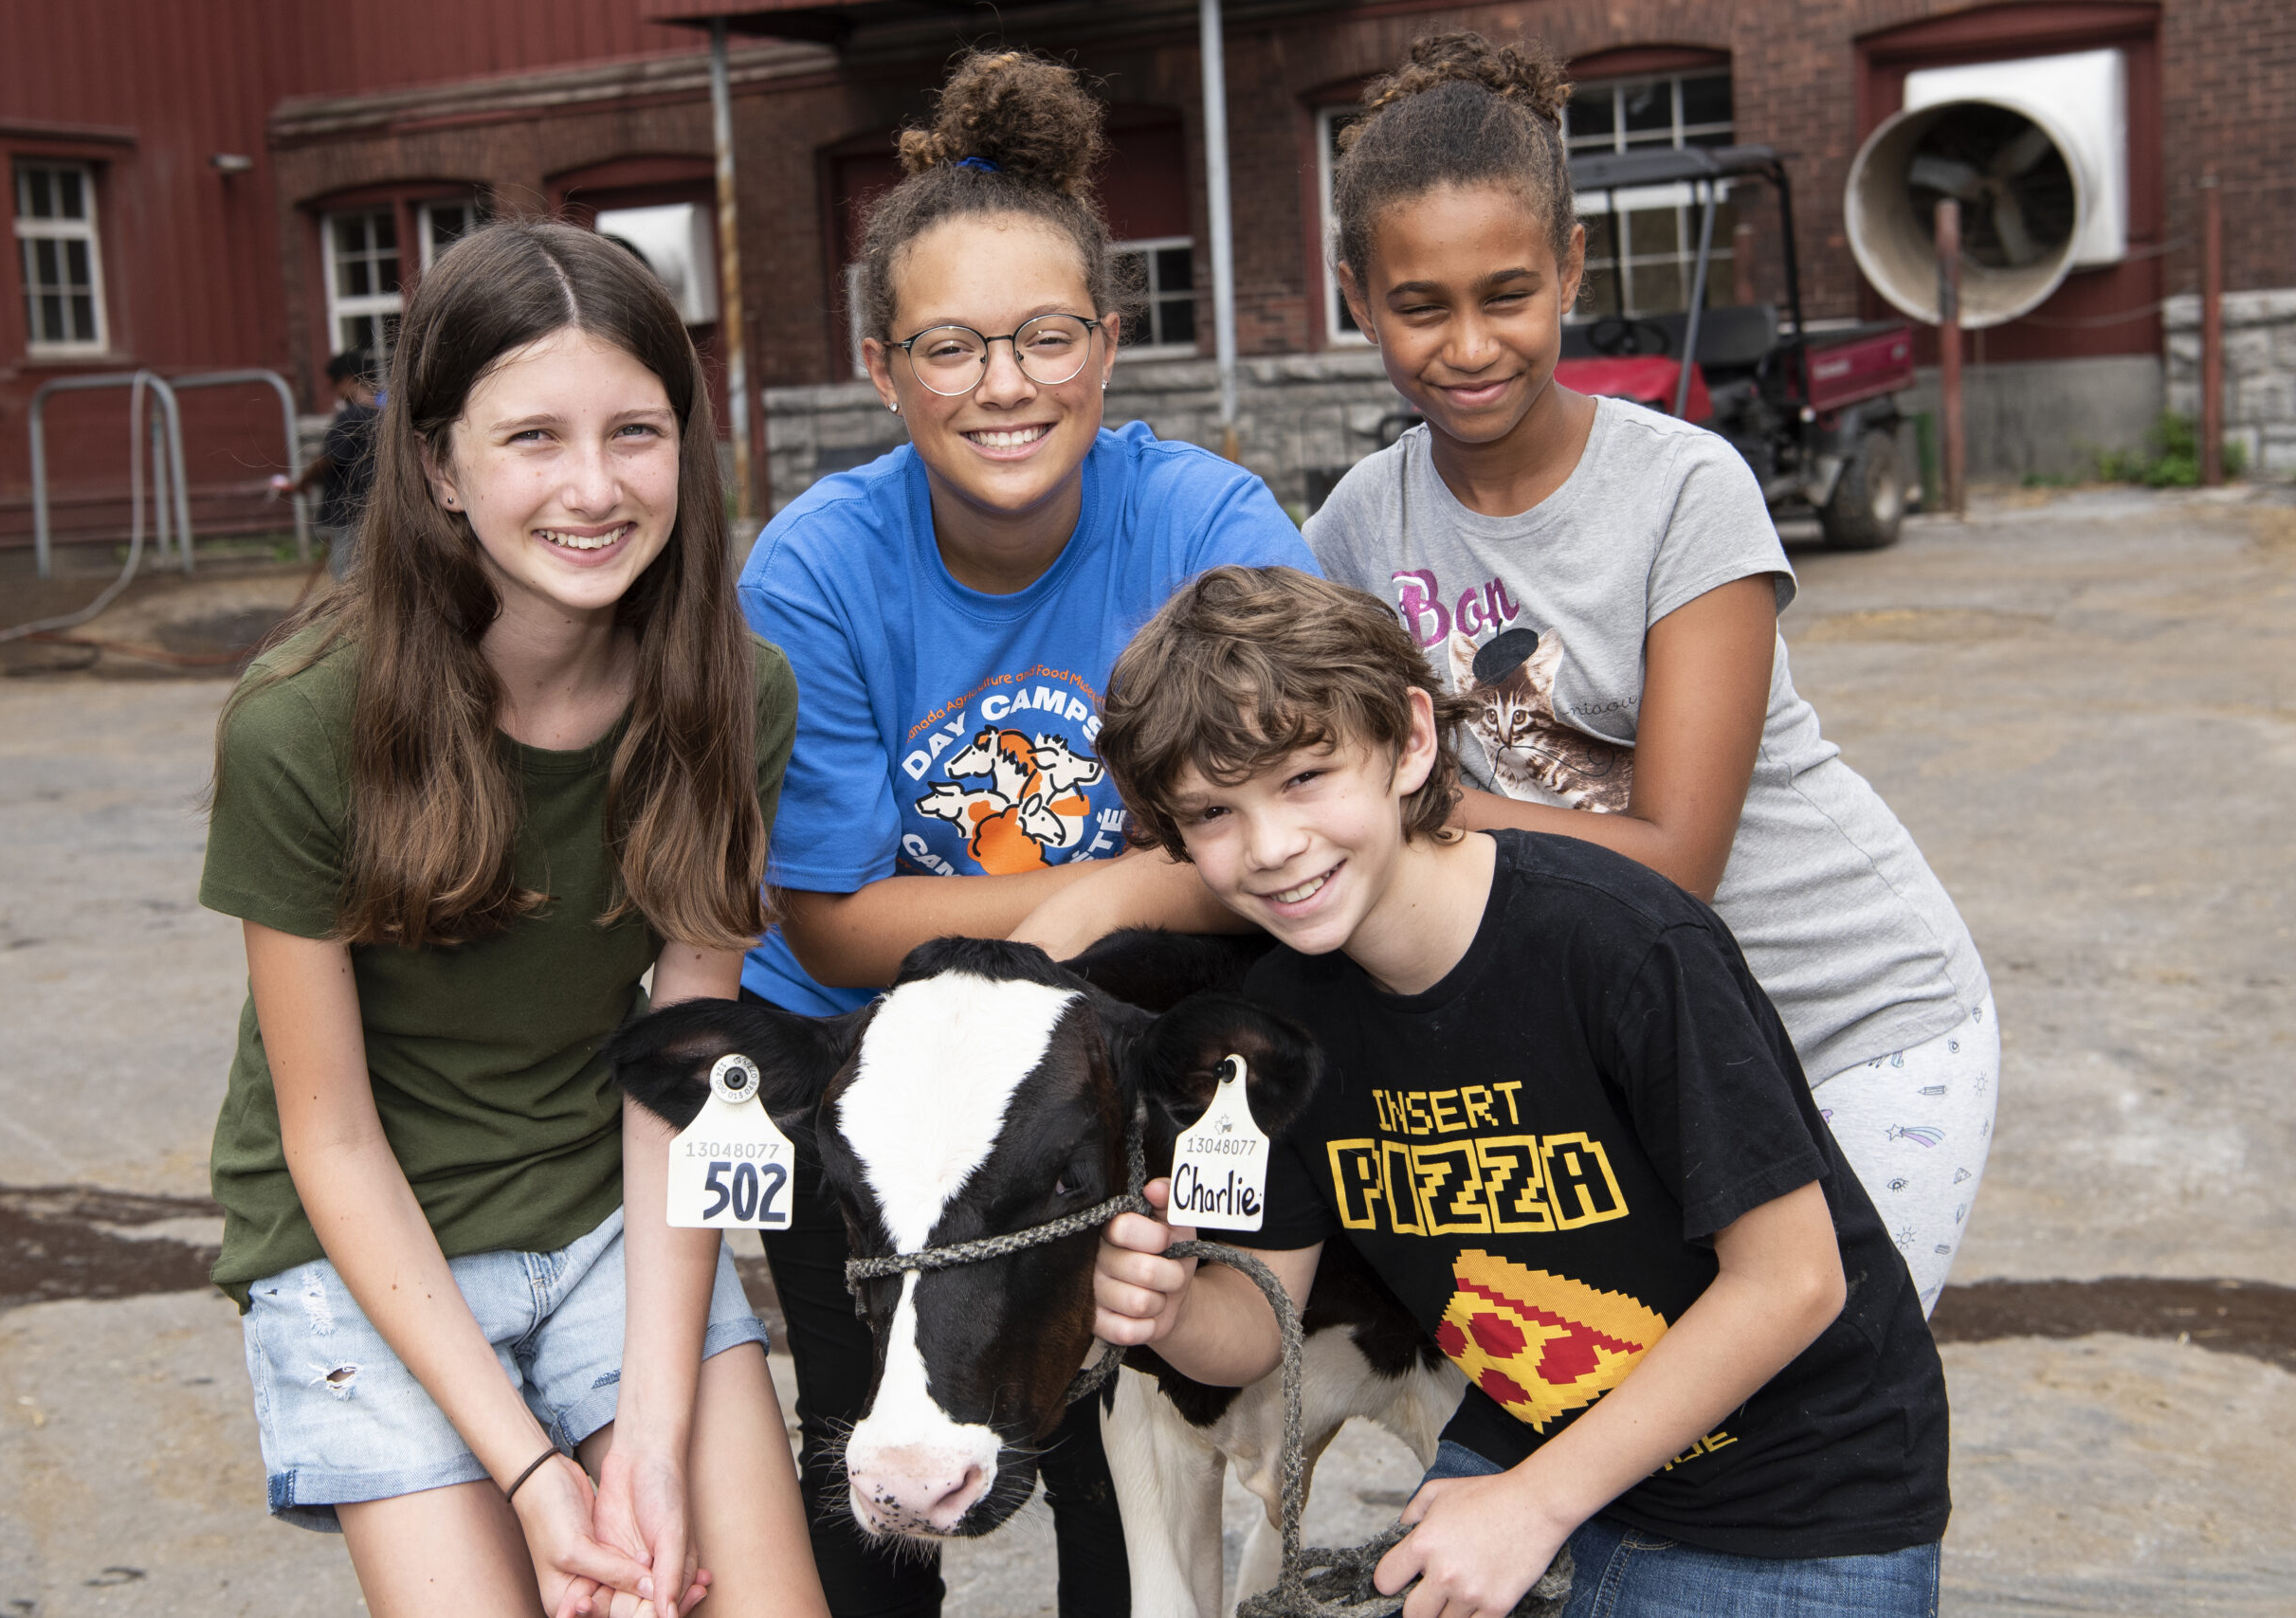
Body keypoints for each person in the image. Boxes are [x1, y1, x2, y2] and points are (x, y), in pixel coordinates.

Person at [734, 49, 1317, 1618]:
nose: (1008, 383)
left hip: (1116, 1059)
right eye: (952, 345)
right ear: (879, 365)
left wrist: (1082, 921)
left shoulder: (1208, 528)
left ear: (1110, 345)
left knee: (1119, 1450)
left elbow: (1295, 841)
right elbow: (833, 926)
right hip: (875, 1069)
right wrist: (1106, 895)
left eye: (1048, 335)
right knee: (872, 1461)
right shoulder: (815, 570)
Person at [1091, 565, 1950, 1618]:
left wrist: (1536, 1503)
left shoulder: (1621, 945)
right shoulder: (1285, 1018)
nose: (1271, 847)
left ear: (1410, 742)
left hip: (1793, 1508)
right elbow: (1260, 1322)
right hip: (1527, 1454)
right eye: (1214, 812)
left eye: (1306, 777)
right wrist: (1170, 1309)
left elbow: (1793, 1283)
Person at [1304, 33, 1995, 1312]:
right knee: (1650, 1418)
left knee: (1809, 1409)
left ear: (1572, 268)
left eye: (1507, 292)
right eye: (1419, 305)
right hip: (1639, 1052)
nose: (1467, 345)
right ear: (1357, 295)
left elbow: (1677, 853)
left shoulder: (1686, 488)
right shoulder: (1355, 526)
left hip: (1852, 1019)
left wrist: (1406, 813)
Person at [202, 220, 824, 1618]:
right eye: (534, 436)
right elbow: (330, 1133)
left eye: (636, 432)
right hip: (369, 1242)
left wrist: (649, 1443)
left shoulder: (736, 692)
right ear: (437, 464)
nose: (594, 487)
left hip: (612, 1212)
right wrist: (542, 1473)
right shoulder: (302, 721)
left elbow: (687, 1071)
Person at [270, 347, 382, 578]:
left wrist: (302, 482)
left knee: (349, 580)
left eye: (333, 386)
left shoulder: (350, 416)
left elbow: (330, 459)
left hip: (350, 512)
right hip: (381, 508)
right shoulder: (385, 412)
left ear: (346, 380)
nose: (334, 393)